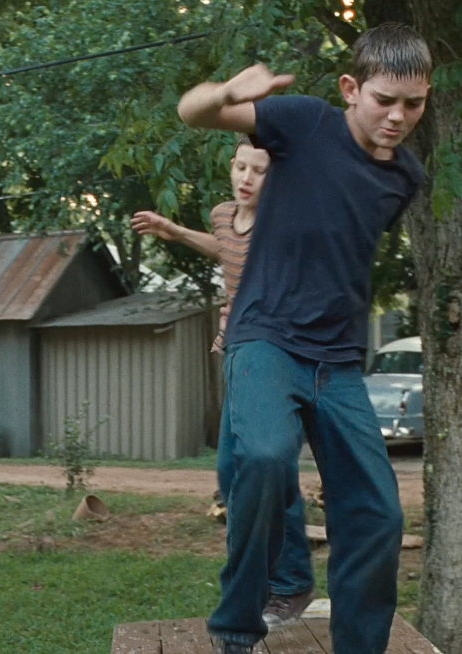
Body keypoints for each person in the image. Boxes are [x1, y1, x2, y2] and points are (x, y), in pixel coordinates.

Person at [176, 22, 433, 654]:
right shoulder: (304, 122)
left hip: (338, 361)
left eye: (414, 104)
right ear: (350, 88)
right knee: (264, 458)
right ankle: (237, 627)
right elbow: (192, 112)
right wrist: (224, 93)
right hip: (265, 338)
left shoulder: (406, 176)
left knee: (378, 512)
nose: (398, 117)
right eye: (384, 100)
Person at [130, 136, 318, 630]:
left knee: (268, 470)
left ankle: (290, 581)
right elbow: (227, 248)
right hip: (237, 355)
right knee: (233, 474)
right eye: (240, 167)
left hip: (276, 359)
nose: (246, 178)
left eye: (260, 170)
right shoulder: (223, 215)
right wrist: (175, 231)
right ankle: (267, 581)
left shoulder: (286, 223)